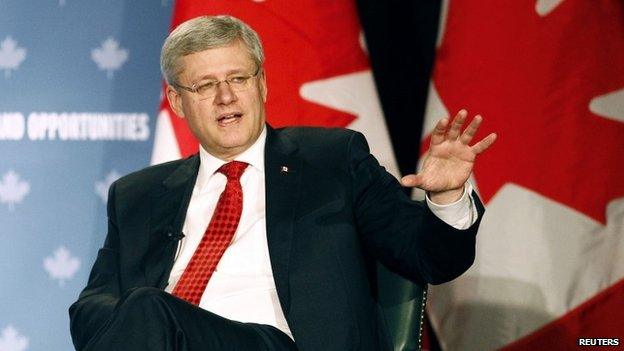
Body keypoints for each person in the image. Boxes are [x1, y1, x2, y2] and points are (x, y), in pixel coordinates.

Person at [69, 15, 496, 351]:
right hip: (162, 337)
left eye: (238, 78)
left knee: (148, 308)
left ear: (262, 84)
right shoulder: (138, 195)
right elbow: (90, 308)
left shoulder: (332, 160)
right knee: (147, 312)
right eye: (205, 85)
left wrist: (446, 198)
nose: (226, 97)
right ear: (178, 102)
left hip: (278, 343)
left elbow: (428, 258)